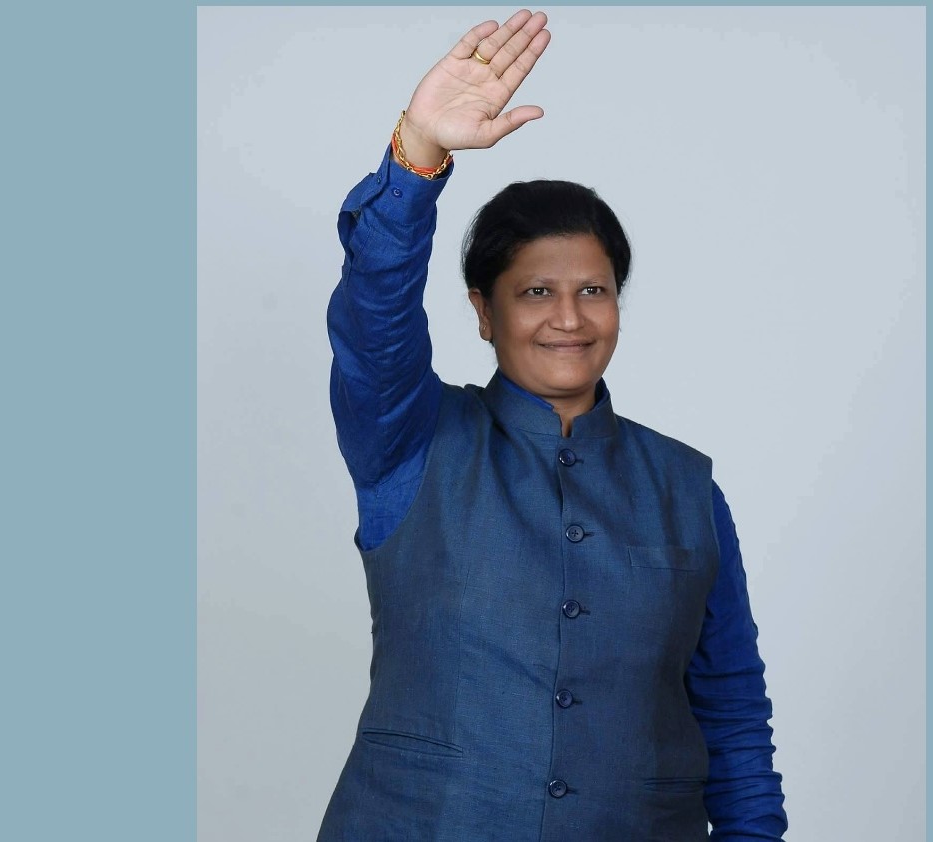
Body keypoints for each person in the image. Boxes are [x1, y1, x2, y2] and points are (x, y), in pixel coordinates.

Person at [317, 10, 787, 841]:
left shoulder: (686, 487)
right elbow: (373, 318)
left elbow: (732, 710)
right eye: (536, 292)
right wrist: (419, 153)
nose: (569, 318)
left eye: (593, 291)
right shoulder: (410, 441)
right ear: (483, 312)